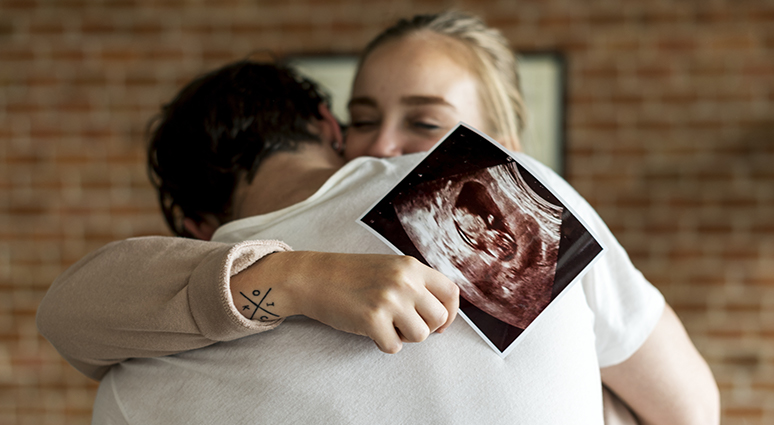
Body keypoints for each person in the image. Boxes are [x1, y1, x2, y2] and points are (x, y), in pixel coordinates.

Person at [37, 11, 719, 425]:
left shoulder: (475, 191)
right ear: (331, 126)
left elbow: (67, 316)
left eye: (425, 123)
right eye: (366, 120)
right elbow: (688, 408)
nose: (385, 148)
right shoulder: (476, 196)